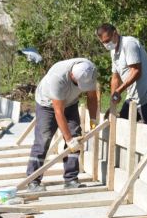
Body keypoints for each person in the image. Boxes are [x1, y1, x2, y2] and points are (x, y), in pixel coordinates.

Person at [26, 58, 99, 192]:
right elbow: (58, 112)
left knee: (76, 136)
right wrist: (68, 139)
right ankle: (33, 180)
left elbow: (92, 97)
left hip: (70, 103)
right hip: (47, 104)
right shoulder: (57, 78)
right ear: (72, 76)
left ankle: (71, 179)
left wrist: (93, 120)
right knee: (43, 139)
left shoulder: (90, 71)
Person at [95, 23, 147, 125]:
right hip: (132, 98)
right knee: (123, 127)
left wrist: (119, 91)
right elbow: (115, 78)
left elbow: (136, 72)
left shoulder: (129, 44)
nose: (107, 44)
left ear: (115, 33)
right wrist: (113, 102)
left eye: (108, 40)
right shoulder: (113, 51)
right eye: (103, 42)